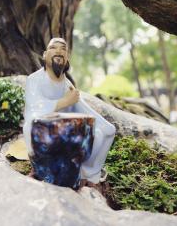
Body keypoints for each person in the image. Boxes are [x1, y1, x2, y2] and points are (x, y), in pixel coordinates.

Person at [23, 37, 116, 184]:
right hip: (41, 134)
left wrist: (106, 127)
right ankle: (60, 176)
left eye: (63, 49)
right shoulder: (34, 80)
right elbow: (35, 111)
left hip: (66, 130)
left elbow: (82, 107)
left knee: (102, 132)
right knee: (73, 139)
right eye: (54, 48)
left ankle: (89, 171)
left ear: (67, 58)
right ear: (45, 55)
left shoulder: (67, 85)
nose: (59, 51)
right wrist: (64, 102)